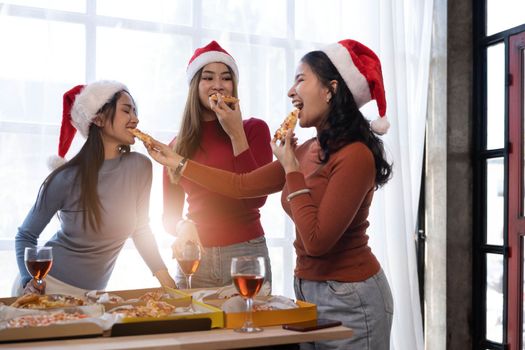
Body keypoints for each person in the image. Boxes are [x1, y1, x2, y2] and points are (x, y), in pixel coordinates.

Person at [146, 39, 394, 349]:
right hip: (306, 293)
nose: (291, 92)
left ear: (330, 89)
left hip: (351, 297)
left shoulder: (355, 155)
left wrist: (289, 166)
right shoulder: (307, 149)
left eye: (300, 80)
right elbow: (242, 184)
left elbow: (317, 242)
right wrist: (179, 162)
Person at [13, 80, 177, 296]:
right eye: (126, 111)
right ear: (98, 119)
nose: (135, 119)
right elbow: (25, 235)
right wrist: (29, 282)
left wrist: (166, 279)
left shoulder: (140, 166)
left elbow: (140, 229)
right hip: (47, 288)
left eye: (135, 112)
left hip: (92, 296)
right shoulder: (66, 177)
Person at [163, 41, 273, 289]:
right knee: (196, 327)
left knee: (251, 326)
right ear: (195, 86)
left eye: (226, 78)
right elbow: (168, 216)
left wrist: (236, 134)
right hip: (193, 256)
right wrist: (184, 225)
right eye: (208, 77)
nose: (218, 85)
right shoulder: (176, 146)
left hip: (246, 256)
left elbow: (257, 198)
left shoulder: (254, 130)